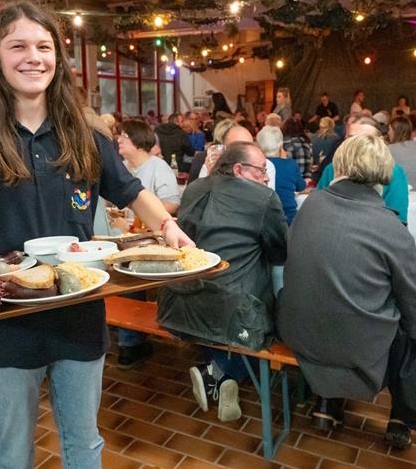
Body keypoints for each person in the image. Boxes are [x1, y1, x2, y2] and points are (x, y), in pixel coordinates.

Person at [0, 0, 193, 469]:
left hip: (79, 314)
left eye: (44, 46)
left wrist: (169, 227)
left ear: (58, 57)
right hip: (1, 320)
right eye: (18, 46)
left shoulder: (83, 135)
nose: (34, 57)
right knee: (11, 453)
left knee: (84, 445)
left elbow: (131, 192)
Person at [278, 134, 416, 449]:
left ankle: (327, 402)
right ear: (386, 174)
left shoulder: (311, 204)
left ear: (339, 166)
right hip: (351, 344)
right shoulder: (391, 227)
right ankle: (403, 413)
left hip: (297, 331)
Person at [160, 141, 287, 422]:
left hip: (179, 302)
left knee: (223, 311)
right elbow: (280, 251)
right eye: (261, 170)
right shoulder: (263, 198)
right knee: (267, 320)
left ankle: (219, 376)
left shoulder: (194, 188)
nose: (266, 177)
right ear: (239, 169)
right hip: (232, 310)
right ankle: (218, 372)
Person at [113, 119, 181, 367]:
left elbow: (172, 204)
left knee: (129, 275)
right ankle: (123, 334)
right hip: (118, 237)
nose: (119, 140)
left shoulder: (157, 167)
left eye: (124, 136)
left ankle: (129, 343)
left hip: (149, 240)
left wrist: (140, 216)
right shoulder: (120, 167)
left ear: (139, 141)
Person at [317, 119, 409, 224]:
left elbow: (398, 222)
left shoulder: (394, 173)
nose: (356, 146)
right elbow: (318, 207)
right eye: (351, 139)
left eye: (365, 140)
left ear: (380, 142)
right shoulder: (332, 168)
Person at [256, 125, 305, 224]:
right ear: (280, 145)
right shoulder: (290, 164)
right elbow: (301, 186)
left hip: (264, 220)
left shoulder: (255, 165)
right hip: (289, 218)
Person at [388, 117, 416, 192]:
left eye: (389, 129)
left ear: (395, 131)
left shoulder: (389, 149)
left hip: (397, 195)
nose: (388, 133)